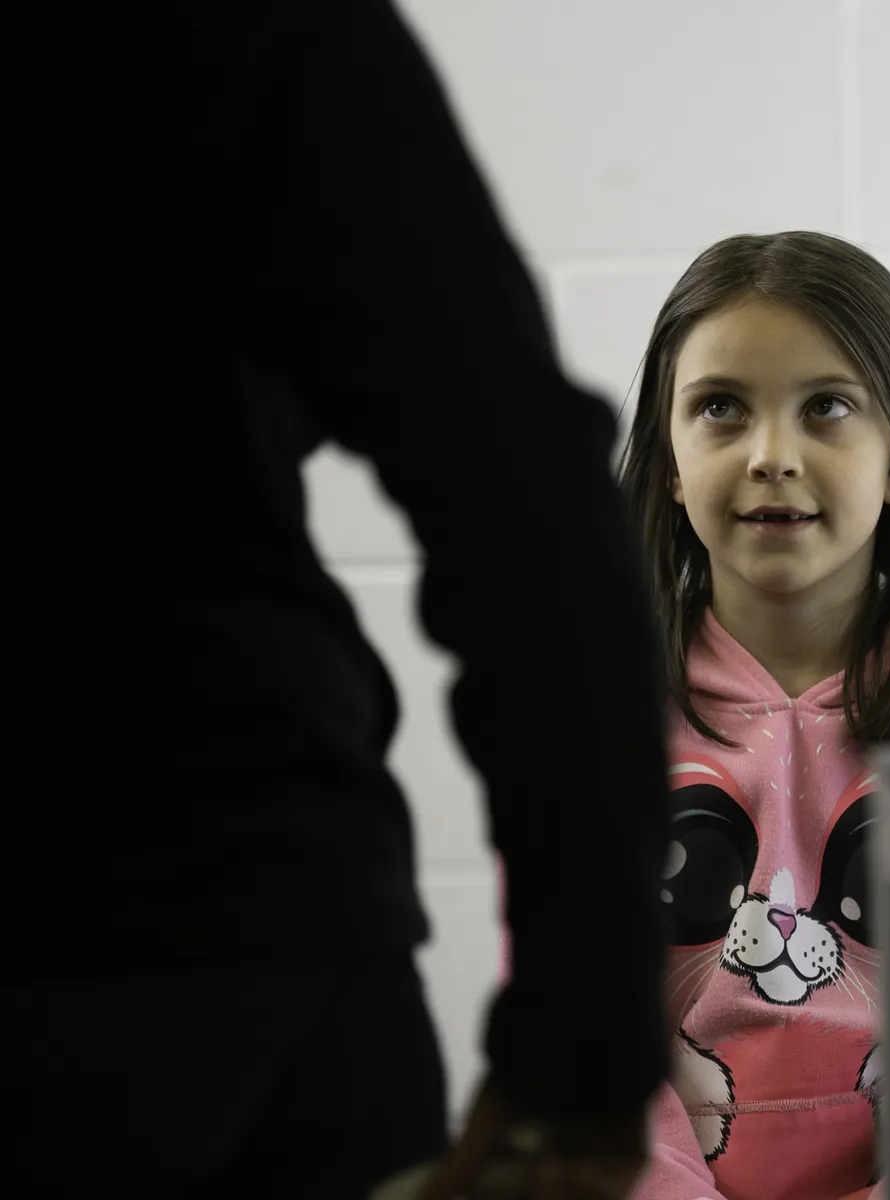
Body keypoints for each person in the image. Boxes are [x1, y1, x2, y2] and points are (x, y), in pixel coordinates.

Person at [6, 2, 668, 1197]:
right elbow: (524, 501)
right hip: (242, 928)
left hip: (232, 943)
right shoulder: (247, 39)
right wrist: (582, 1054)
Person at [615, 231, 890, 1200]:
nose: (773, 456)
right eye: (721, 409)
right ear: (670, 466)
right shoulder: (599, 720)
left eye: (827, 407)